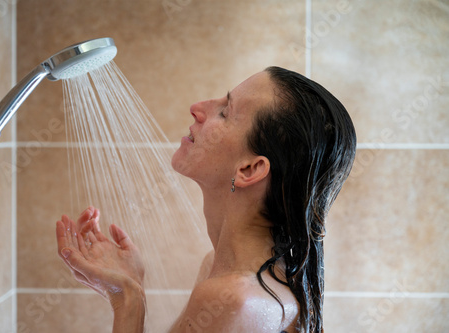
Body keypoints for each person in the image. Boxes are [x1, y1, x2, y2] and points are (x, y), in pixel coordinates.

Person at [56, 66, 357, 333]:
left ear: (249, 169)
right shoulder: (244, 274)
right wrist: (128, 285)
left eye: (225, 112)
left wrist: (128, 297)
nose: (197, 108)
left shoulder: (233, 298)